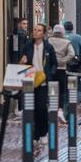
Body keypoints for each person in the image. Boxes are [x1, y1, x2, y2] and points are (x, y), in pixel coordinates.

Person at [20, 24, 58, 152]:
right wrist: (22, 61)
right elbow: (21, 62)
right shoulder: (27, 46)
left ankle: (43, 131)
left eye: (39, 30)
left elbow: (54, 64)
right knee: (32, 109)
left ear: (43, 33)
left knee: (41, 107)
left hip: (43, 82)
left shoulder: (48, 47)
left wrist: (50, 74)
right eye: (35, 29)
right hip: (30, 82)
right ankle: (36, 136)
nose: (36, 32)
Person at [48, 25, 75, 123]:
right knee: (62, 91)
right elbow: (72, 54)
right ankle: (60, 110)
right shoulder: (66, 42)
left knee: (52, 88)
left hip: (51, 68)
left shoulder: (49, 40)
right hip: (62, 69)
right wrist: (63, 60)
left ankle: (52, 108)